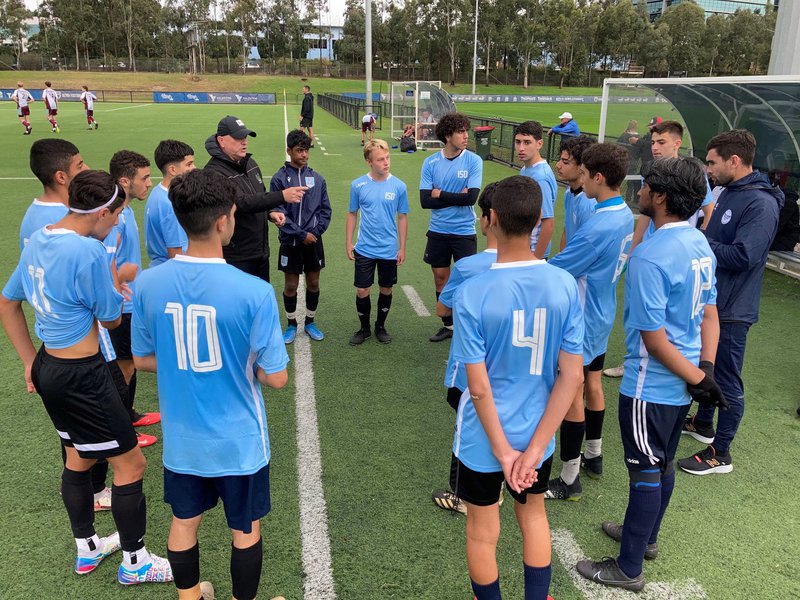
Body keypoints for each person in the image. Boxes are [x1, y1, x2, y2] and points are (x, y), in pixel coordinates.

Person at [0, 170, 173, 585]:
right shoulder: (88, 252)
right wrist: (116, 280)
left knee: (78, 456)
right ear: (99, 212)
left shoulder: (39, 238)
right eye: (116, 214)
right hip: (83, 376)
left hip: (49, 366)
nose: (117, 222)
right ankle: (136, 562)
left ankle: (88, 548)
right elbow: (111, 319)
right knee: (131, 465)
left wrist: (29, 362)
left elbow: (8, 303)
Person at [132, 169, 289, 600]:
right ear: (225, 220)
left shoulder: (147, 283)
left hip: (184, 439)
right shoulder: (254, 291)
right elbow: (275, 377)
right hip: (239, 441)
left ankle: (190, 597)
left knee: (184, 521)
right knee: (245, 527)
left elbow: (144, 358)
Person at [576, 156, 726, 592]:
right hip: (682, 382)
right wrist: (705, 370)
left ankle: (628, 567)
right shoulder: (700, 244)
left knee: (645, 469)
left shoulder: (651, 255)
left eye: (644, 187)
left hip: (650, 387)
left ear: (660, 197)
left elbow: (655, 339)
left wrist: (700, 380)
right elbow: (710, 315)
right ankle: (646, 538)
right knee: (661, 465)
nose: (637, 192)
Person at [450, 175, 584, 600]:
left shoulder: (472, 292)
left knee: (482, 530)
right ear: (537, 221)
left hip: (482, 438)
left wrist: (504, 452)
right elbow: (572, 376)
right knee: (534, 518)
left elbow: (479, 388)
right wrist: (531, 450)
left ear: (489, 219)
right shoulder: (563, 283)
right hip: (537, 436)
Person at [677, 129, 784, 475]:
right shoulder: (729, 191)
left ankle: (720, 453)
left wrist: (698, 241)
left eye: (712, 162)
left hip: (734, 310)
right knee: (708, 365)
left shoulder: (761, 203)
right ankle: (704, 424)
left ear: (734, 161)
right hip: (714, 301)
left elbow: (744, 256)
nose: (708, 169)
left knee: (727, 377)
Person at [545, 143, 634, 499]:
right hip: (601, 312)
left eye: (582, 174)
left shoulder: (600, 226)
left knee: (571, 396)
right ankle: (594, 456)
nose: (578, 178)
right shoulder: (623, 212)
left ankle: (569, 478)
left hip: (581, 319)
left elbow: (560, 268)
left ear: (598, 178)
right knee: (592, 385)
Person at [430, 182, 499, 514]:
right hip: (516, 367)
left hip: (470, 366)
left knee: (468, 424)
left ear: (488, 220)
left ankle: (461, 494)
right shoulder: (542, 268)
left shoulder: (470, 267)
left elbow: (444, 309)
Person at [203, 115, 305, 282]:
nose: (244, 142)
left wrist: (270, 212)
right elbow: (241, 202)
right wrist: (282, 196)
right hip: (237, 257)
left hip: (260, 252)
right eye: (238, 138)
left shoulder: (250, 163)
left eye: (245, 137)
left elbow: (259, 193)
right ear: (221, 140)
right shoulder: (213, 173)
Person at [106, 150, 160, 444]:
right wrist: (120, 278)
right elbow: (103, 262)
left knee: (131, 361)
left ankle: (131, 414)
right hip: (121, 304)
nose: (149, 183)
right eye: (145, 177)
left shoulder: (124, 210)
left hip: (131, 302)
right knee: (124, 367)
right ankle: (123, 432)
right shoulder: (115, 218)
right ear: (125, 181)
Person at [419, 112, 483, 342]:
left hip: (464, 230)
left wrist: (440, 193)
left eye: (467, 130)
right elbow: (425, 201)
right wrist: (456, 195)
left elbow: (471, 199)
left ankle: (467, 324)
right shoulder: (431, 162)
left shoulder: (474, 161)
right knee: (440, 277)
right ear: (448, 135)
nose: (466, 136)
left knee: (467, 279)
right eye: (461, 132)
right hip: (438, 229)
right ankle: (448, 325)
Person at [270, 129, 332, 343]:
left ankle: (310, 322)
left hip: (313, 241)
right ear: (289, 151)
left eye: (306, 150)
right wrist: (300, 234)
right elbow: (278, 212)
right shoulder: (279, 179)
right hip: (290, 241)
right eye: (299, 151)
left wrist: (314, 233)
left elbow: (325, 211)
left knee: (314, 282)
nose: (304, 155)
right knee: (291, 285)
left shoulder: (317, 178)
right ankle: (291, 324)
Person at [346, 139, 408, 345]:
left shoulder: (399, 186)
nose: (386, 162)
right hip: (364, 248)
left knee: (386, 289)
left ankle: (380, 326)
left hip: (389, 249)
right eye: (380, 159)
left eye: (387, 158)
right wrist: (348, 242)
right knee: (362, 290)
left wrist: (402, 247)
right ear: (369, 162)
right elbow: (352, 214)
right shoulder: (358, 185)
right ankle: (364, 328)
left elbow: (402, 217)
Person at [144, 140, 196, 266]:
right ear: (172, 170)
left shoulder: (157, 192)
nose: (194, 168)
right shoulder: (170, 204)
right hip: (172, 272)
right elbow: (176, 255)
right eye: (189, 164)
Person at [515, 120, 558, 259]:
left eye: (527, 142)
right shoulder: (525, 169)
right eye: (518, 142)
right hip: (523, 247)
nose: (521, 148)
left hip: (532, 251)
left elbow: (548, 223)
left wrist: (536, 259)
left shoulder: (540, 177)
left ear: (539, 144)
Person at [556, 136, 596, 251]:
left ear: (581, 167)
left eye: (565, 162)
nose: (558, 165)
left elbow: (586, 250)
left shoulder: (589, 205)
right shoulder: (569, 192)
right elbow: (567, 230)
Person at [617, 120, 640, 205]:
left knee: (619, 180)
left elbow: (618, 145)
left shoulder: (624, 135)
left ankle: (618, 199)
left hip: (624, 160)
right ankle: (628, 200)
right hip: (634, 161)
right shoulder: (639, 137)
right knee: (630, 182)